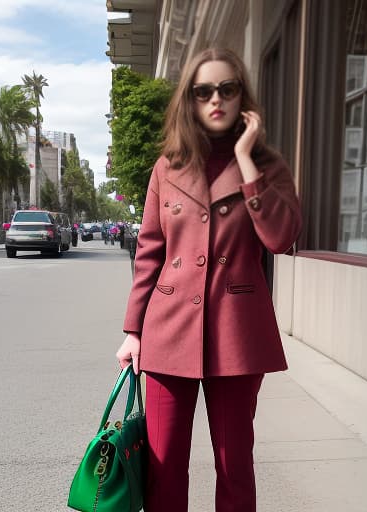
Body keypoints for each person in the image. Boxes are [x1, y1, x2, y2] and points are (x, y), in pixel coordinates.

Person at [116, 47, 302, 512]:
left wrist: (245, 163)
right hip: (168, 331)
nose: (215, 99)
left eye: (227, 88)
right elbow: (150, 252)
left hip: (237, 336)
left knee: (235, 465)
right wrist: (133, 330)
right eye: (203, 91)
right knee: (163, 467)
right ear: (190, 100)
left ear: (243, 97)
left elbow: (280, 238)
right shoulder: (167, 166)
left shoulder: (267, 166)